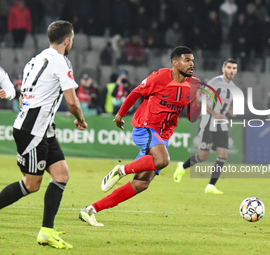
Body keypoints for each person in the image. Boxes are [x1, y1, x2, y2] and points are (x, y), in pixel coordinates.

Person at [79, 46, 202, 226]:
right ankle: (121, 170)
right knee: (162, 160)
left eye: (192, 60)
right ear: (175, 63)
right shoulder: (160, 77)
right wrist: (120, 114)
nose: (191, 64)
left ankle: (90, 210)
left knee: (141, 184)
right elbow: (136, 92)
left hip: (163, 135)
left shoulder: (194, 84)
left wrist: (198, 102)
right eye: (187, 60)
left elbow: (192, 117)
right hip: (146, 126)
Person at [0, 21, 87, 249]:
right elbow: (72, 101)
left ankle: (46, 231)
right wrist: (80, 118)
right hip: (33, 131)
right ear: (67, 40)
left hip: (42, 130)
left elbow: (22, 96)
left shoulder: (35, 60)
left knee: (61, 175)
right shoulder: (61, 61)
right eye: (72, 40)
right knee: (31, 184)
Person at [173, 59, 238, 195]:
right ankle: (182, 166)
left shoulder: (233, 87)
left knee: (223, 154)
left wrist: (230, 110)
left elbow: (223, 105)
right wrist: (214, 113)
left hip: (221, 124)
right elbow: (201, 98)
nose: (232, 71)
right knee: (203, 156)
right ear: (223, 69)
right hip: (208, 123)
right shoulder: (215, 82)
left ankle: (210, 186)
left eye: (234, 68)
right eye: (229, 68)